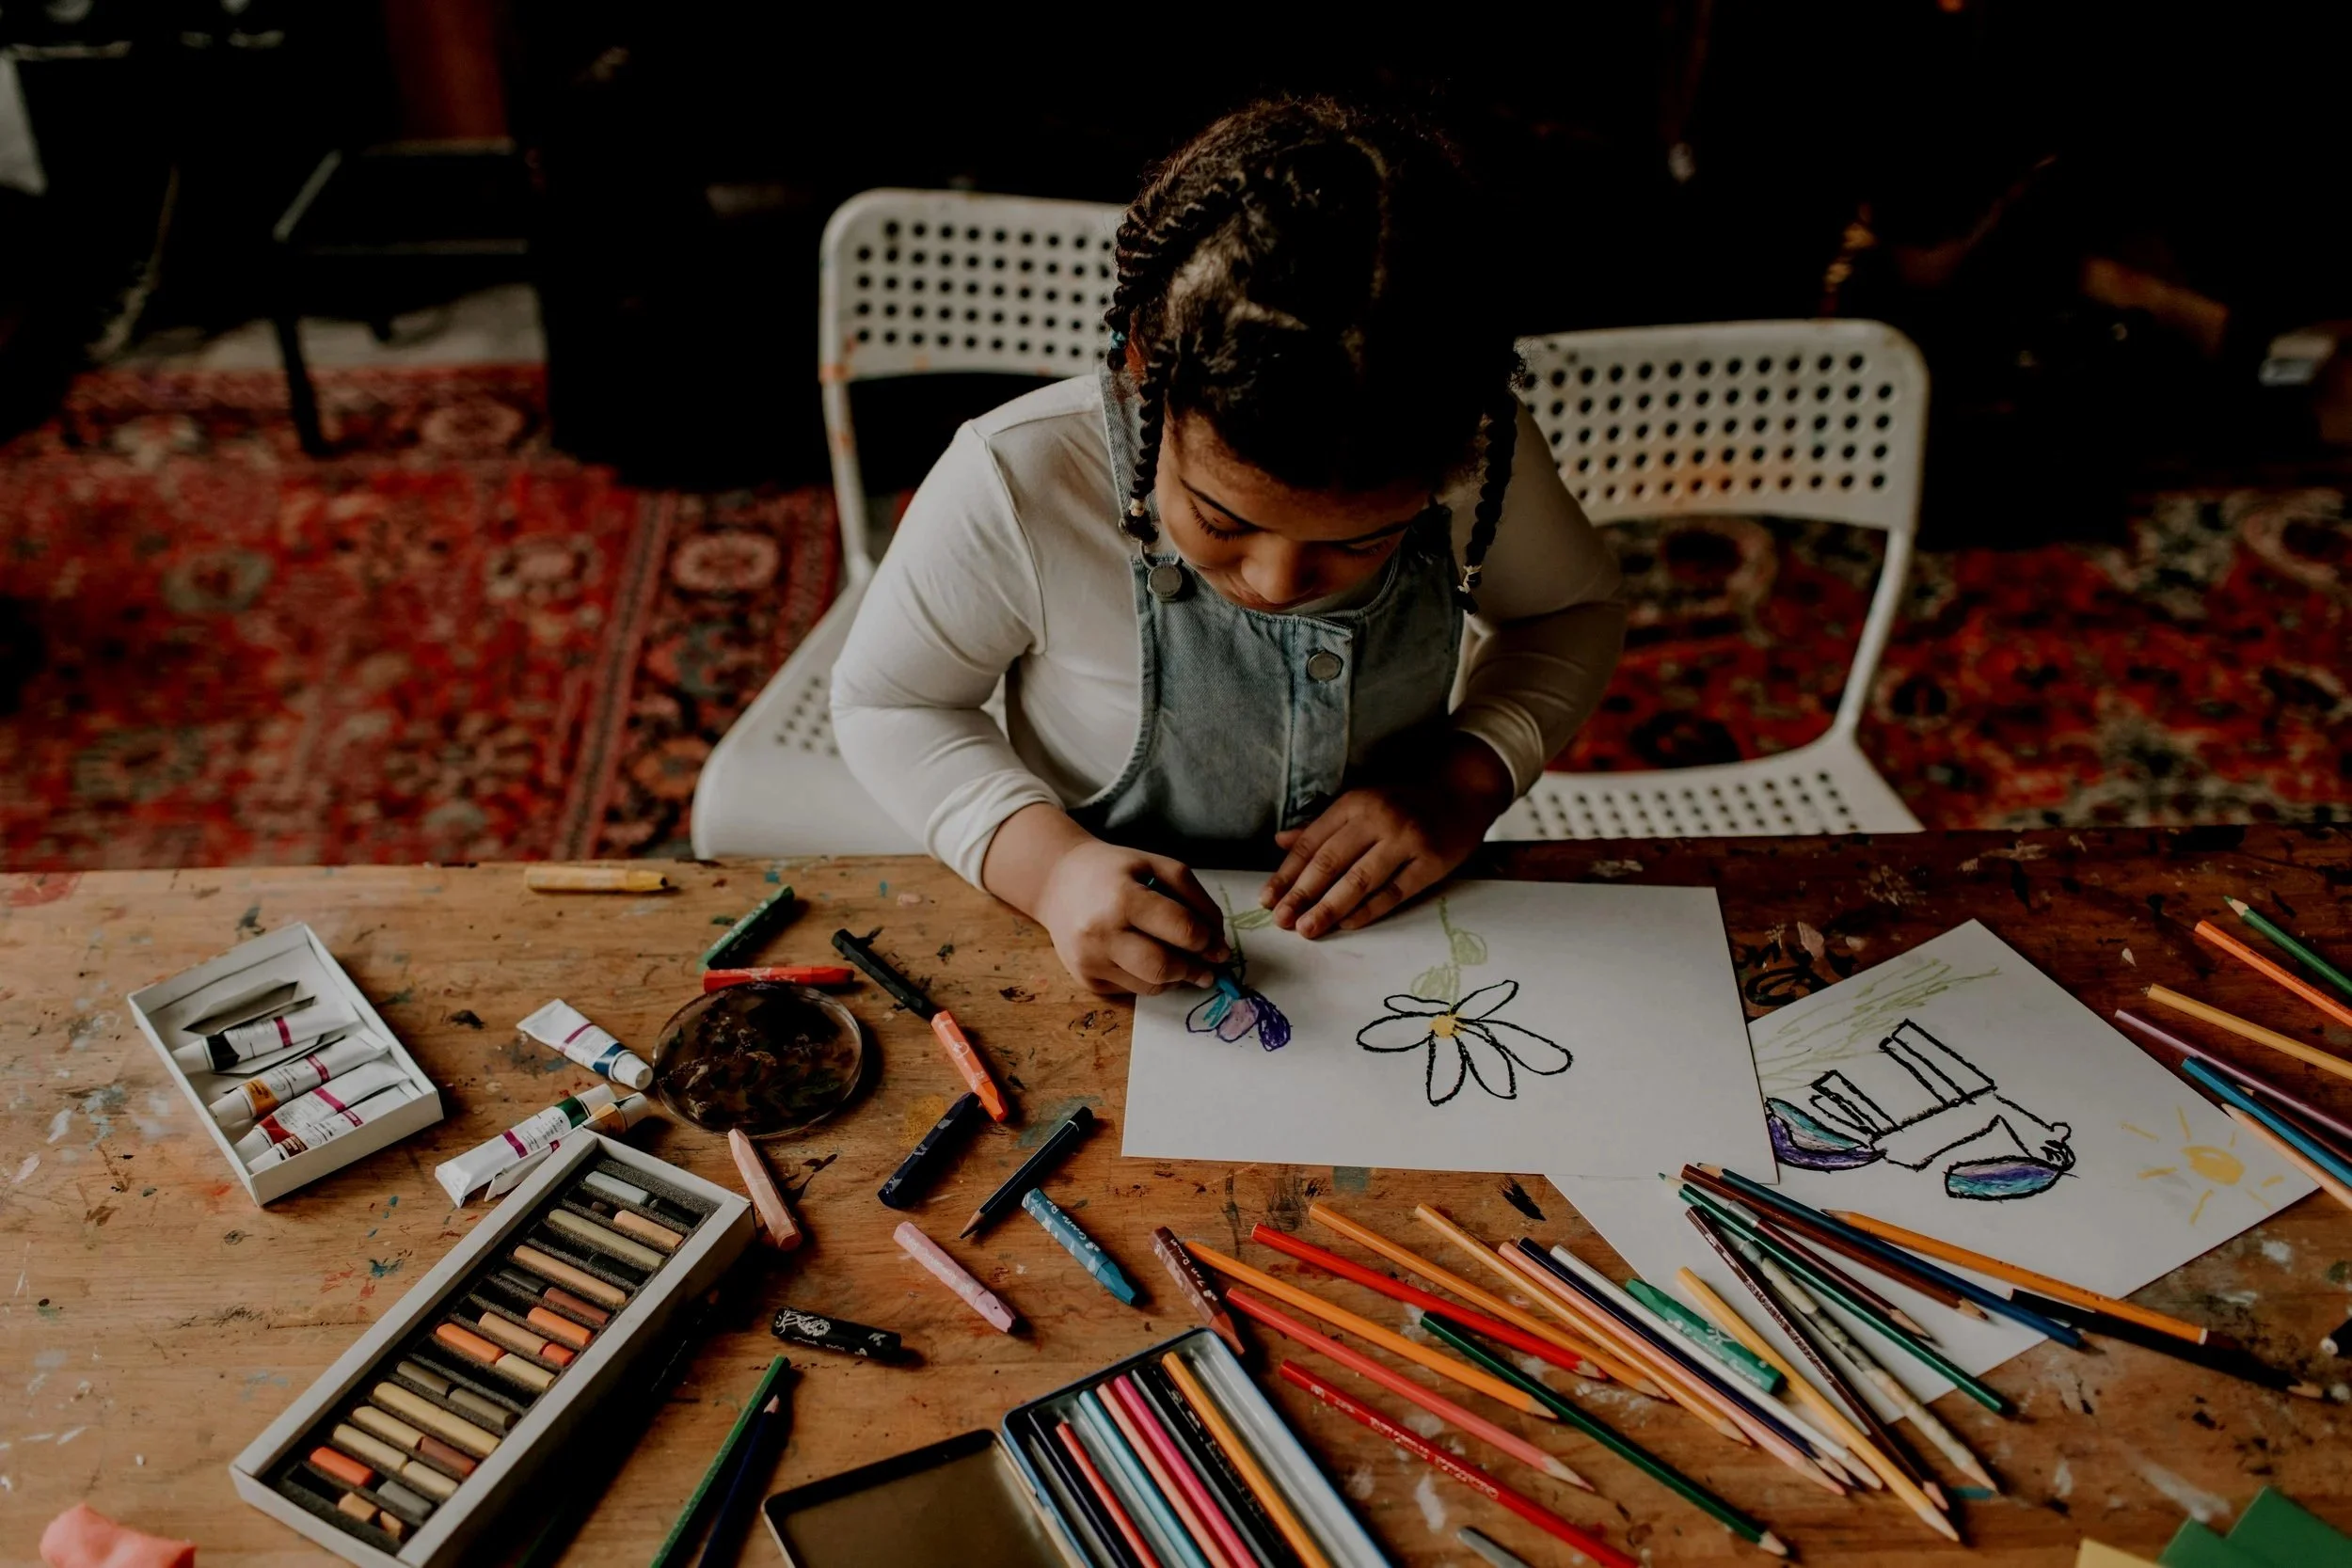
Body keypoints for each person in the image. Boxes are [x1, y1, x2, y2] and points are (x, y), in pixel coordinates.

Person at [833, 97, 1626, 997]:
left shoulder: (1474, 454)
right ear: (1142, 373)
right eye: (1222, 520)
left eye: (1366, 539)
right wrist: (1049, 870)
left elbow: (1573, 611)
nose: (1277, 578)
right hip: (1090, 934)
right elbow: (890, 705)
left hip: (1392, 939)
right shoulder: (1022, 478)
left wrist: (1464, 781)